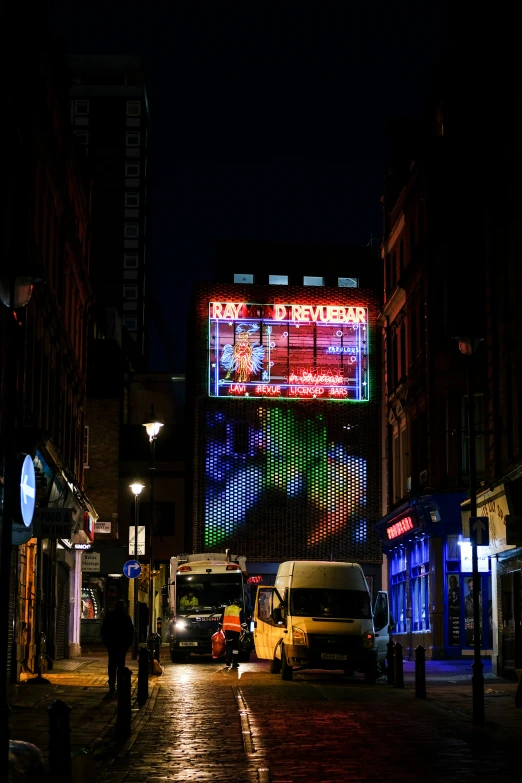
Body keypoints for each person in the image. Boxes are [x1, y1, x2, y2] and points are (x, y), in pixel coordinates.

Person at [101, 599, 134, 693]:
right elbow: (130, 632)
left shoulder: (110, 616)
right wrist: (128, 644)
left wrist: (106, 642)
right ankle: (120, 683)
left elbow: (104, 630)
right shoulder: (126, 617)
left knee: (112, 664)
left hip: (112, 645)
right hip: (122, 645)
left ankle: (112, 684)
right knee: (120, 665)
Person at [220, 597, 247, 669]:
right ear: (238, 604)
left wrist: (219, 628)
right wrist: (246, 629)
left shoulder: (227, 609)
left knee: (228, 645)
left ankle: (227, 660)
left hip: (227, 630)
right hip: (235, 631)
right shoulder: (239, 610)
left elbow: (221, 619)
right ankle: (235, 662)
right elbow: (242, 622)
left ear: (232, 603)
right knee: (235, 647)